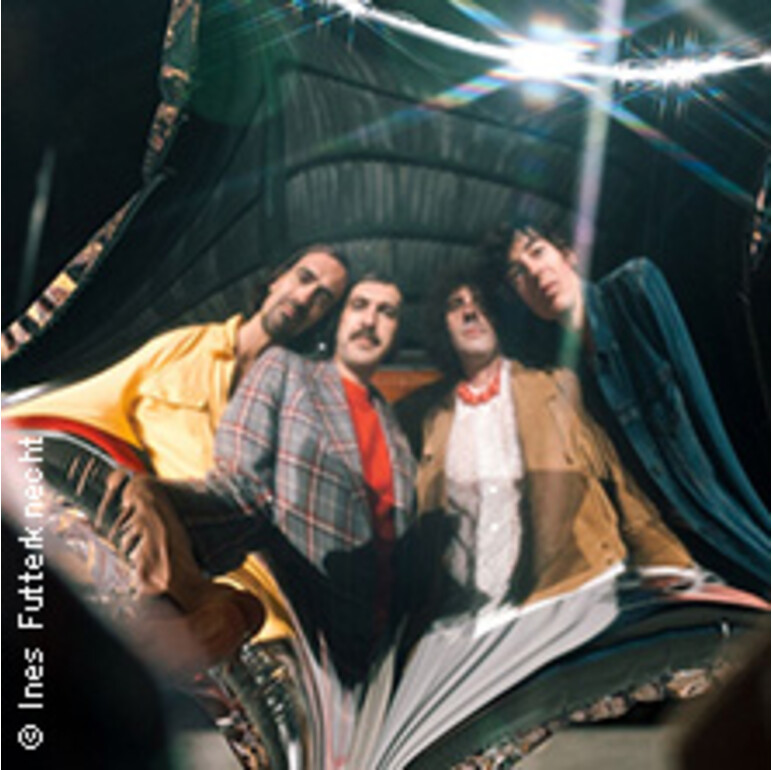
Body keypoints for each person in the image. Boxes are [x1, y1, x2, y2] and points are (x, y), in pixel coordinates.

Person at [3, 245, 351, 665]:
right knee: (139, 495)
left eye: (323, 297)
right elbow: (88, 401)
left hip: (247, 559)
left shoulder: (297, 398)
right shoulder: (185, 348)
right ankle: (198, 612)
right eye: (305, 278)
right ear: (277, 279)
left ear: (323, 318)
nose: (305, 297)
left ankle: (194, 616)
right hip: (156, 522)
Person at [115, 274, 416, 682]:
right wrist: (165, 505)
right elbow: (243, 492)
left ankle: (213, 614)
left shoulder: (399, 434)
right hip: (312, 637)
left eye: (388, 312)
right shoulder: (285, 371)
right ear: (339, 318)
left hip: (386, 659)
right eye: (359, 305)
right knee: (143, 494)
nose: (370, 321)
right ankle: (182, 615)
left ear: (398, 331)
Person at [491, 209, 770, 598]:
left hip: (731, 519)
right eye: (518, 273)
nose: (535, 273)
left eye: (538, 252)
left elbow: (717, 407)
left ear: (569, 253)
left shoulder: (634, 292)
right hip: (680, 556)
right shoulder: (567, 382)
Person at [397, 267, 697, 615]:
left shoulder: (556, 388)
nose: (469, 312)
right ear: (443, 326)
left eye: (480, 303)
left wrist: (669, 564)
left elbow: (619, 485)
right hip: (467, 617)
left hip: (566, 597)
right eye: (455, 304)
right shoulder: (433, 420)